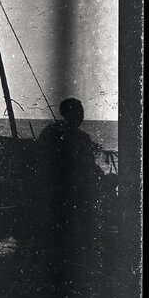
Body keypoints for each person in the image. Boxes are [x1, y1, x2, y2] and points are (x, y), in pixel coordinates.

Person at [35, 97, 102, 257]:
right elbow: (88, 168)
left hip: (49, 189)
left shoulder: (49, 132)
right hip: (71, 191)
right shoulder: (82, 138)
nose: (81, 116)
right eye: (80, 112)